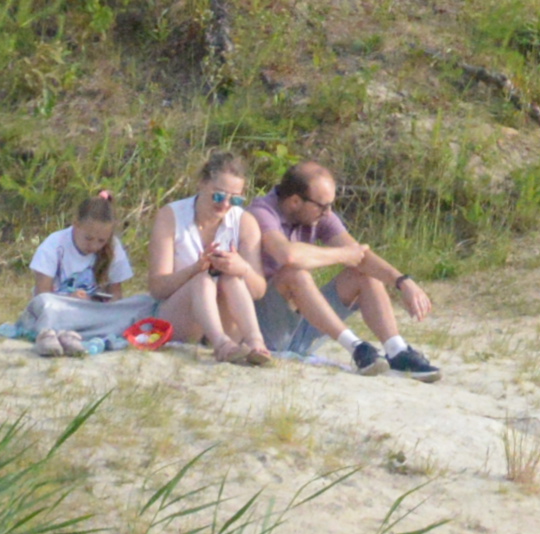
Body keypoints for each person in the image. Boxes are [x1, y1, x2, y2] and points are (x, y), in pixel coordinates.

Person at [252, 161, 441, 379]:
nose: (328, 213)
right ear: (295, 201)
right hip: (265, 327)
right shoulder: (262, 212)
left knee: (362, 273)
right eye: (322, 206)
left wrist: (402, 281)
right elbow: (288, 255)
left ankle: (396, 350)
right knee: (294, 272)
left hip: (300, 323)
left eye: (331, 205)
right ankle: (356, 348)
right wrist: (342, 255)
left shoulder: (316, 214)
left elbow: (360, 256)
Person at [149, 147, 276, 364]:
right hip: (182, 318)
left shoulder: (245, 222)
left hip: (228, 318)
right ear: (202, 184)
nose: (225, 204)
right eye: (218, 195)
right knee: (203, 279)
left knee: (232, 278)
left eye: (234, 200)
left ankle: (256, 342)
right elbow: (157, 288)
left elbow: (258, 290)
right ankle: (221, 344)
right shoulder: (171, 216)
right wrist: (195, 269)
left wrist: (242, 268)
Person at [24, 190, 141, 339]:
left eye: (101, 241)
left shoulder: (113, 247)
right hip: (60, 310)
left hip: (94, 312)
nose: (94, 246)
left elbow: (116, 295)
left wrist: (97, 301)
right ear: (76, 224)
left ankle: (78, 332)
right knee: (47, 307)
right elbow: (41, 295)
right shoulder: (54, 245)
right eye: (88, 238)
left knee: (141, 302)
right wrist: (70, 298)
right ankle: (65, 333)